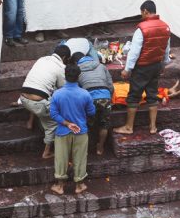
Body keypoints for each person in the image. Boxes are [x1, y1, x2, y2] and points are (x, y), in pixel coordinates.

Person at [115, 0, 171, 135]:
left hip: (142, 67)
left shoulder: (142, 29)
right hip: (156, 65)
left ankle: (129, 127)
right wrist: (164, 64)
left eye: (141, 12)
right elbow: (166, 49)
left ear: (145, 11)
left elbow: (134, 52)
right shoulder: (165, 27)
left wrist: (127, 69)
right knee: (152, 95)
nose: (141, 15)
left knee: (134, 96)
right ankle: (153, 127)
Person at [50, 63, 95, 195]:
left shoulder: (57, 94)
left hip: (62, 131)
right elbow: (91, 112)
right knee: (80, 158)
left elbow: (53, 114)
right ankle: (79, 185)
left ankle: (60, 186)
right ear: (79, 76)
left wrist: (67, 123)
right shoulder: (85, 94)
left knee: (61, 158)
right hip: (80, 131)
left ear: (65, 76)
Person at [21, 45, 71, 159]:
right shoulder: (61, 67)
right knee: (53, 124)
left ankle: (30, 122)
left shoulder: (42, 59)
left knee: (43, 93)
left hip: (23, 97)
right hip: (38, 104)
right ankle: (46, 152)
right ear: (64, 57)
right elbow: (63, 89)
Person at [74, 51, 115, 156]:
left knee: (86, 124)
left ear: (75, 61)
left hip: (88, 97)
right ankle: (100, 147)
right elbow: (110, 84)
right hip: (105, 96)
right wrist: (108, 97)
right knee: (104, 124)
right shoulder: (101, 66)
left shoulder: (77, 69)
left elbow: (76, 88)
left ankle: (85, 149)